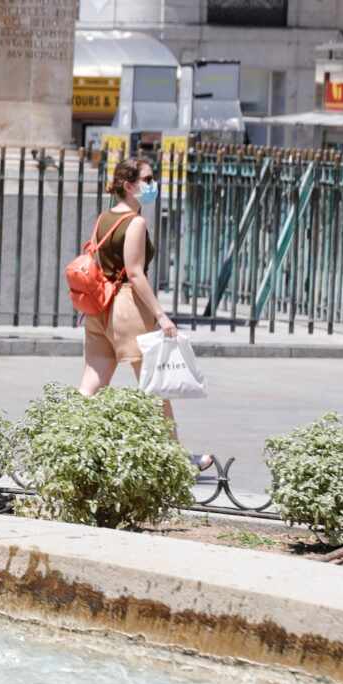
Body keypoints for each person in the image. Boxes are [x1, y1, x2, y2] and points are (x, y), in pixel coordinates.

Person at [80, 156, 214, 471]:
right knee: (155, 385)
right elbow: (136, 273)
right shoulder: (136, 222)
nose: (153, 185)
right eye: (148, 179)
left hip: (100, 306)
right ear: (129, 185)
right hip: (127, 307)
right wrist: (162, 316)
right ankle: (177, 460)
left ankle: (65, 441)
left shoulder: (103, 218)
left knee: (91, 383)